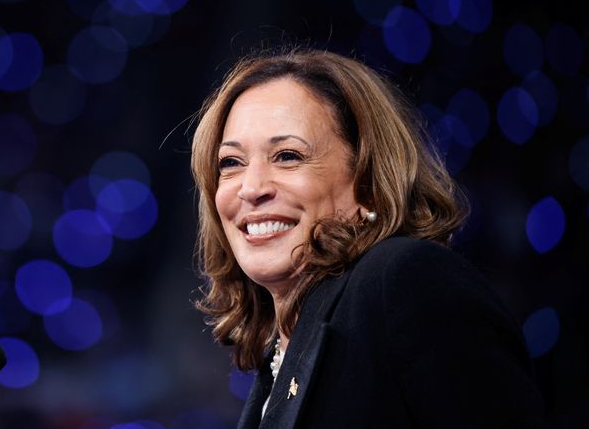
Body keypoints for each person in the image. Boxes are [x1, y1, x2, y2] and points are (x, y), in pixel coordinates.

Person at [190, 49, 546, 428]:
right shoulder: (281, 353)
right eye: (231, 163)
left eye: (288, 156)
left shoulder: (406, 280)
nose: (252, 188)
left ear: (367, 182)